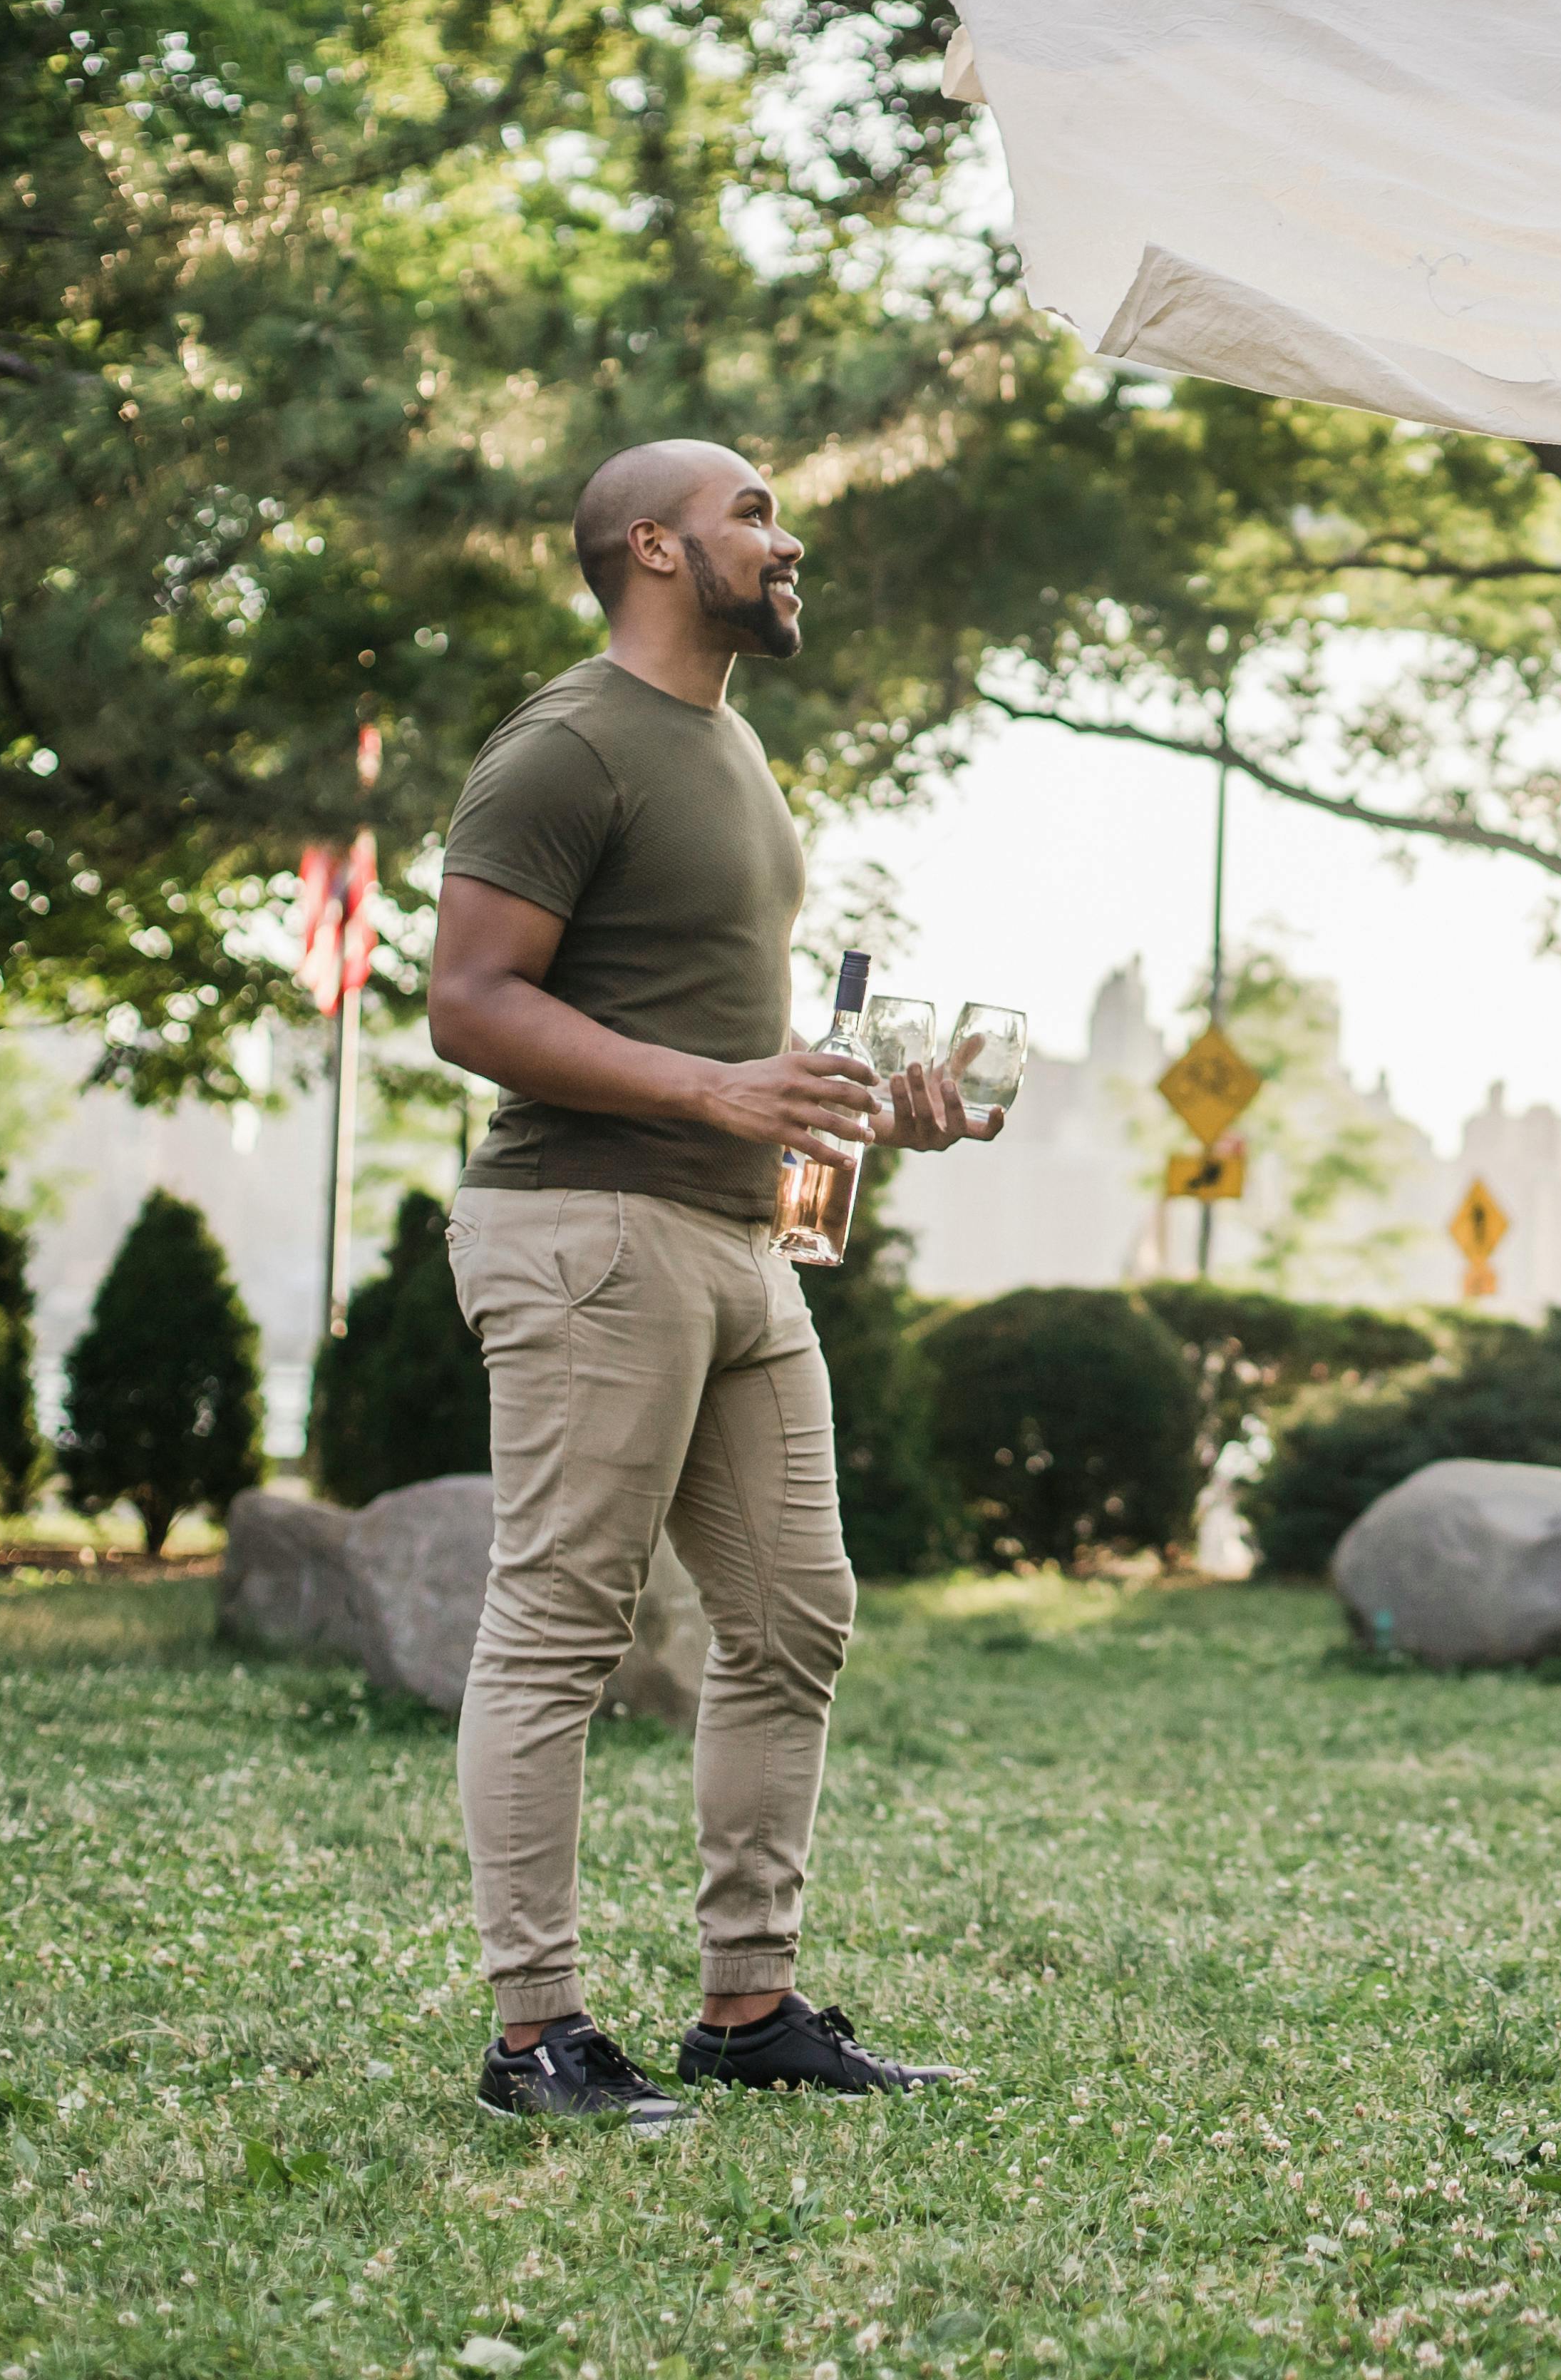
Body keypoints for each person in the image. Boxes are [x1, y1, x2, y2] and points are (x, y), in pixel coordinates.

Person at [424, 438, 1000, 2130]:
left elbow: (738, 1046)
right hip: (588, 1228)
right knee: (561, 1625)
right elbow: (467, 1000)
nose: (786, 530)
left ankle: (746, 2006)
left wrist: (859, 1103)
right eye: (752, 510)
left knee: (792, 1616)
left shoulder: (732, 749)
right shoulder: (566, 742)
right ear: (654, 550)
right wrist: (715, 1090)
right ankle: (536, 2033)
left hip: (740, 1244)